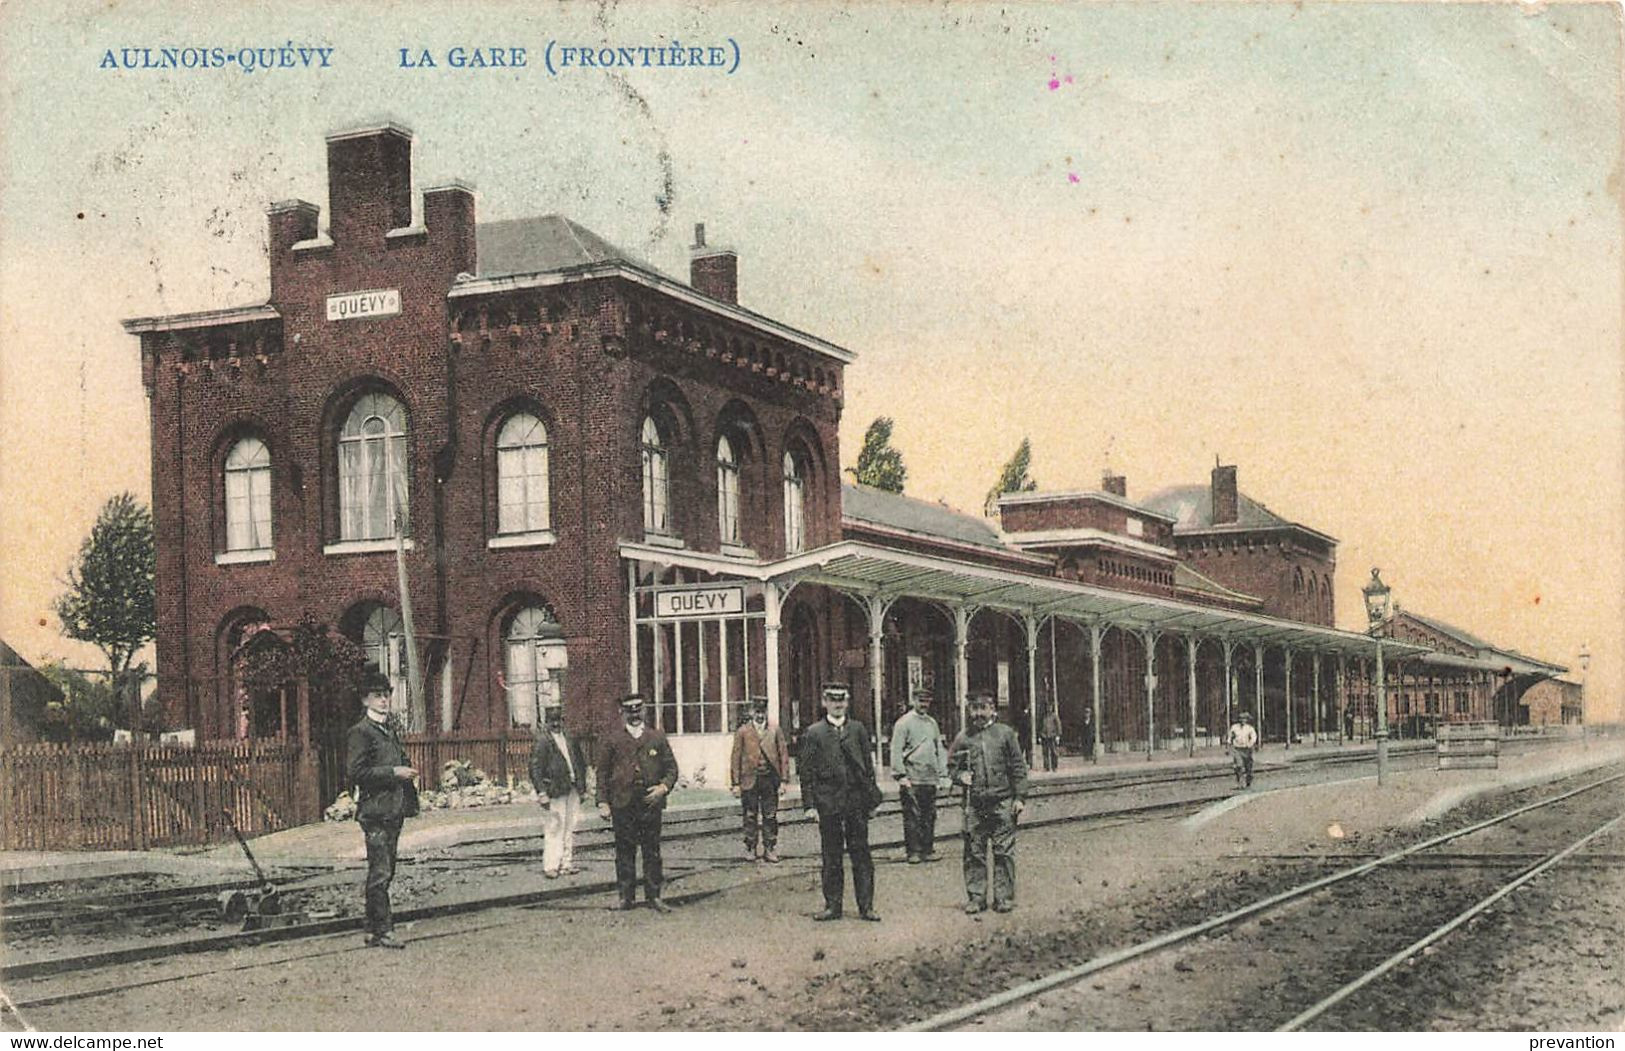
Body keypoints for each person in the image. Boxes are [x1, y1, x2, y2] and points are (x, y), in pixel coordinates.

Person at [345, 665, 419, 949]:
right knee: (381, 872)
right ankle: (384, 930)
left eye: (386, 694)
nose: (384, 700)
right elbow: (356, 772)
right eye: (377, 696)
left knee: (383, 870)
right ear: (365, 700)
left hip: (393, 809)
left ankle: (370, 929)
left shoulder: (387, 729)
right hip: (375, 811)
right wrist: (394, 773)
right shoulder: (361, 732)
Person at [799, 682, 881, 922]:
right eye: (832, 700)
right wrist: (810, 805)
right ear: (824, 702)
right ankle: (832, 906)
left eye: (841, 700)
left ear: (847, 702)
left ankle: (866, 906)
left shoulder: (858, 730)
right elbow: (806, 773)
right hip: (829, 804)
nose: (837, 704)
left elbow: (868, 767)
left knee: (862, 855)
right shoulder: (814, 733)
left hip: (855, 803)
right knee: (831, 857)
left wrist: (871, 801)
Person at [595, 693, 679, 912]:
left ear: (644, 710)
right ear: (622, 713)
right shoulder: (612, 739)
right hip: (623, 803)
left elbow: (671, 769)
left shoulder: (656, 737)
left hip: (650, 803)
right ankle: (626, 898)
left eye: (638, 710)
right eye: (629, 711)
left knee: (652, 851)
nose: (634, 715)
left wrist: (663, 788)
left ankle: (654, 896)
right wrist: (602, 802)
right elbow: (602, 773)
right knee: (624, 851)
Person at [949, 691, 1028, 914]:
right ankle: (976, 897)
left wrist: (1020, 797)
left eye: (982, 708)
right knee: (974, 852)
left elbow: (1018, 768)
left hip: (1002, 802)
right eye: (973, 708)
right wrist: (959, 777)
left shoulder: (1005, 735)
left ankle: (1003, 897)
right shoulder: (963, 738)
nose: (978, 713)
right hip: (974, 805)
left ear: (993, 709)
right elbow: (951, 766)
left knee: (1003, 852)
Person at [529, 703, 588, 879]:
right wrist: (541, 793)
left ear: (563, 720)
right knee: (555, 827)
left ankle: (566, 863)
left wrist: (582, 788)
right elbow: (535, 768)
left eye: (558, 720)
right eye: (551, 721)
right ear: (546, 722)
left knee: (570, 826)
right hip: (554, 790)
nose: (555, 724)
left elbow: (580, 763)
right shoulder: (542, 740)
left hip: (572, 788)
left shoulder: (570, 738)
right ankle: (551, 865)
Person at [888, 688, 948, 863]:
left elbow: (939, 748)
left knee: (929, 815)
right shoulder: (903, 723)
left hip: (929, 777)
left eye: (927, 701)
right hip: (911, 777)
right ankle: (913, 851)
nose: (924, 705)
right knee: (912, 816)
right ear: (913, 700)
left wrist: (942, 773)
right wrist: (900, 775)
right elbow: (896, 750)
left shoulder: (932, 723)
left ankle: (928, 849)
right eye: (921, 701)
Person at [730, 695, 789, 863]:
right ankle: (750, 847)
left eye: (763, 712)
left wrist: (784, 781)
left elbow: (783, 755)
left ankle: (770, 848)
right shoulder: (743, 731)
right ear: (751, 712)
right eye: (757, 712)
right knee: (750, 815)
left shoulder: (775, 730)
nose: (760, 715)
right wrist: (735, 783)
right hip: (749, 779)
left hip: (770, 779)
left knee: (770, 815)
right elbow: (735, 758)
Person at [1226, 710, 1259, 787]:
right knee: (1238, 766)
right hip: (1237, 749)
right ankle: (1239, 781)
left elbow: (1254, 737)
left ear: (1247, 720)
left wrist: (1250, 744)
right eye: (1241, 718)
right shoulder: (1234, 727)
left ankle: (1248, 780)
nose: (1242, 720)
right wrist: (1228, 746)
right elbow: (1230, 737)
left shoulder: (1249, 728)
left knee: (1248, 767)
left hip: (1247, 749)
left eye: (1244, 719)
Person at [1039, 704, 1063, 773]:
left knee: (1054, 752)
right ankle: (1046, 767)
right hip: (1045, 736)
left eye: (1050, 707)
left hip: (1053, 736)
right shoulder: (1044, 717)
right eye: (1047, 707)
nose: (1048, 709)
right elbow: (1040, 726)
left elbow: (1058, 726)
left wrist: (1058, 736)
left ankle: (1054, 767)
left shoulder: (1054, 716)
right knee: (1045, 752)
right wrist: (1040, 736)